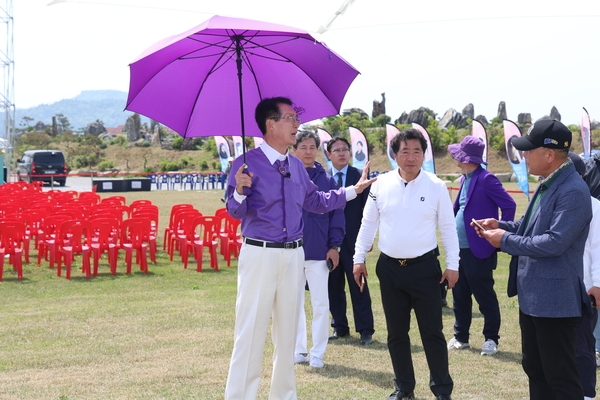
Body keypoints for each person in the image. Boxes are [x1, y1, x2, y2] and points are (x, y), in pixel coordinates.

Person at [224, 96, 375, 400]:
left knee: (288, 332)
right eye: (291, 118)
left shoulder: (296, 165)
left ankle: (284, 395)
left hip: (295, 255)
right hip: (260, 254)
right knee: (251, 331)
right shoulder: (244, 164)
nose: (297, 125)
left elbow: (316, 201)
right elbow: (234, 210)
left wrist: (352, 191)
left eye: (296, 118)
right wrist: (239, 191)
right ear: (271, 123)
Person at [476, 119, 592, 399]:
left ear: (549, 155)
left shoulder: (573, 191)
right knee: (536, 370)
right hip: (536, 298)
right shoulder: (550, 183)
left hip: (555, 302)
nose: (524, 155)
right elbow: (531, 228)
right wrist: (502, 226)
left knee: (560, 379)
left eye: (529, 150)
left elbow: (554, 242)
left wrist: (502, 240)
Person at [353, 128, 459, 400]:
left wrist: (453, 265)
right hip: (389, 270)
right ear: (395, 155)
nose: (411, 157)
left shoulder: (435, 186)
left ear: (424, 155)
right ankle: (404, 387)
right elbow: (368, 225)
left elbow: (448, 228)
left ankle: (442, 390)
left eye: (417, 151)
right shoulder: (380, 185)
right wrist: (358, 258)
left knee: (432, 332)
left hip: (425, 270)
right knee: (396, 334)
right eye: (405, 151)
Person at [446, 136, 516, 356]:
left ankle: (491, 339)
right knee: (459, 295)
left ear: (466, 158)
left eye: (458, 156)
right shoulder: (466, 179)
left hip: (479, 250)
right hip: (459, 250)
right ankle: (461, 337)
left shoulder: (487, 179)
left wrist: (499, 234)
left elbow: (509, 205)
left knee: (484, 296)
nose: (455, 159)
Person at [292, 130, 345, 369]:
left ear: (318, 150)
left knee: (321, 305)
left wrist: (334, 246)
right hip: (291, 250)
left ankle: (317, 353)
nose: (308, 151)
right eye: (303, 147)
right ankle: (298, 349)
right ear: (295, 149)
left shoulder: (327, 180)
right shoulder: (287, 175)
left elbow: (337, 214)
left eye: (312, 147)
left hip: (319, 251)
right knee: (293, 304)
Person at [326, 136, 375, 345]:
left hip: (355, 241)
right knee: (333, 286)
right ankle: (340, 326)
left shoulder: (359, 176)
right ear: (328, 155)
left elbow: (370, 210)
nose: (341, 153)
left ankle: (365, 330)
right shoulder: (324, 178)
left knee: (359, 284)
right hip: (330, 243)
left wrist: (368, 238)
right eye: (336, 150)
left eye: (345, 149)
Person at [568, 152, 600, 400]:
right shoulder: (552, 201)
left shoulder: (595, 206)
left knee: (583, 344)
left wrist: (597, 284)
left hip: (585, 288)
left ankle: (587, 394)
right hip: (558, 287)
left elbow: (599, 248)